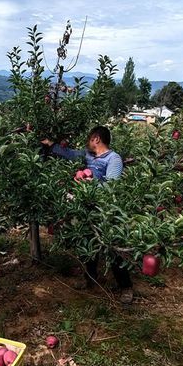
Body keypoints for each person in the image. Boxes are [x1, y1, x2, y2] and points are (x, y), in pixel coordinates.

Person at [41, 125, 134, 304]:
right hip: (86, 207)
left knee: (112, 247)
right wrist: (51, 144)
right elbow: (69, 153)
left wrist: (90, 184)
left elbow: (111, 186)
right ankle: (90, 278)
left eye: (90, 138)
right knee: (87, 243)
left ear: (96, 139)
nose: (87, 142)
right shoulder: (88, 156)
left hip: (106, 210)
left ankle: (126, 287)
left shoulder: (113, 159)